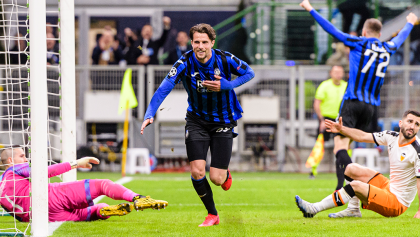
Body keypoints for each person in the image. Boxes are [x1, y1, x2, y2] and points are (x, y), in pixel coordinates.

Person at [300, 0, 417, 199]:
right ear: (380, 34)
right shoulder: (387, 46)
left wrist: (310, 8)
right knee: (352, 146)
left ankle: (355, 183)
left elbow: (332, 30)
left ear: (364, 32)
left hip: (352, 102)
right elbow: (401, 38)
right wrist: (410, 22)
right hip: (370, 107)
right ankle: (351, 196)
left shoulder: (358, 42)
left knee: (340, 148)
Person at [140, 23, 255, 226]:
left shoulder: (225, 58)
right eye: (196, 42)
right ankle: (212, 214)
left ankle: (224, 173)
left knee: (217, 179)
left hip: (223, 121)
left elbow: (249, 73)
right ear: (191, 43)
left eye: (204, 42)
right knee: (197, 171)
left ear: (212, 42)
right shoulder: (183, 63)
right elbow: (163, 88)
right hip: (196, 121)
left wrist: (228, 84)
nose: (200, 46)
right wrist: (150, 113)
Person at [296, 109, 420, 219]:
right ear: (401, 123)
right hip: (388, 186)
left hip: (396, 202)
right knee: (351, 168)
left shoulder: (417, 150)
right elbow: (362, 136)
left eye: (417, 124)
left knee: (355, 186)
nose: (412, 126)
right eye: (410, 121)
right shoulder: (391, 136)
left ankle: (314, 208)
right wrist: (341, 129)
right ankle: (353, 209)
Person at [0, 146, 168, 222]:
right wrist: (76, 163)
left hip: (44, 217)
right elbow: (42, 174)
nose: (26, 159)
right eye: (22, 156)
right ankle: (138, 198)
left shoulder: (1, 190)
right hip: (51, 196)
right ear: (10, 160)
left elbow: (17, 217)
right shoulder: (13, 170)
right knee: (102, 184)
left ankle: (102, 210)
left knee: (87, 213)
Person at [310, 65, 347, 178]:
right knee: (320, 144)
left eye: (340, 72)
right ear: (331, 73)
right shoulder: (324, 85)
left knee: (345, 144)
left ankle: (346, 168)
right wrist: (321, 119)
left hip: (341, 120)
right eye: (335, 72)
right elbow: (317, 103)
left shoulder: (346, 86)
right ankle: (313, 170)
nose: (338, 74)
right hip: (326, 119)